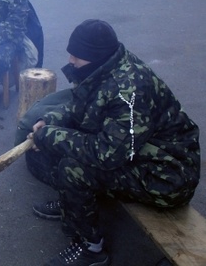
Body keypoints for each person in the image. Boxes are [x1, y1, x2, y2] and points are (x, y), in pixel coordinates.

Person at [17, 19, 200, 266]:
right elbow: (80, 107)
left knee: (74, 168)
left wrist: (49, 136)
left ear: (96, 56)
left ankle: (91, 250)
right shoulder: (102, 68)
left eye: (76, 56)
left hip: (167, 174)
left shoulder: (129, 89)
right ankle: (71, 205)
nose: (71, 60)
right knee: (68, 143)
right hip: (138, 150)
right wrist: (49, 120)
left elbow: (107, 154)